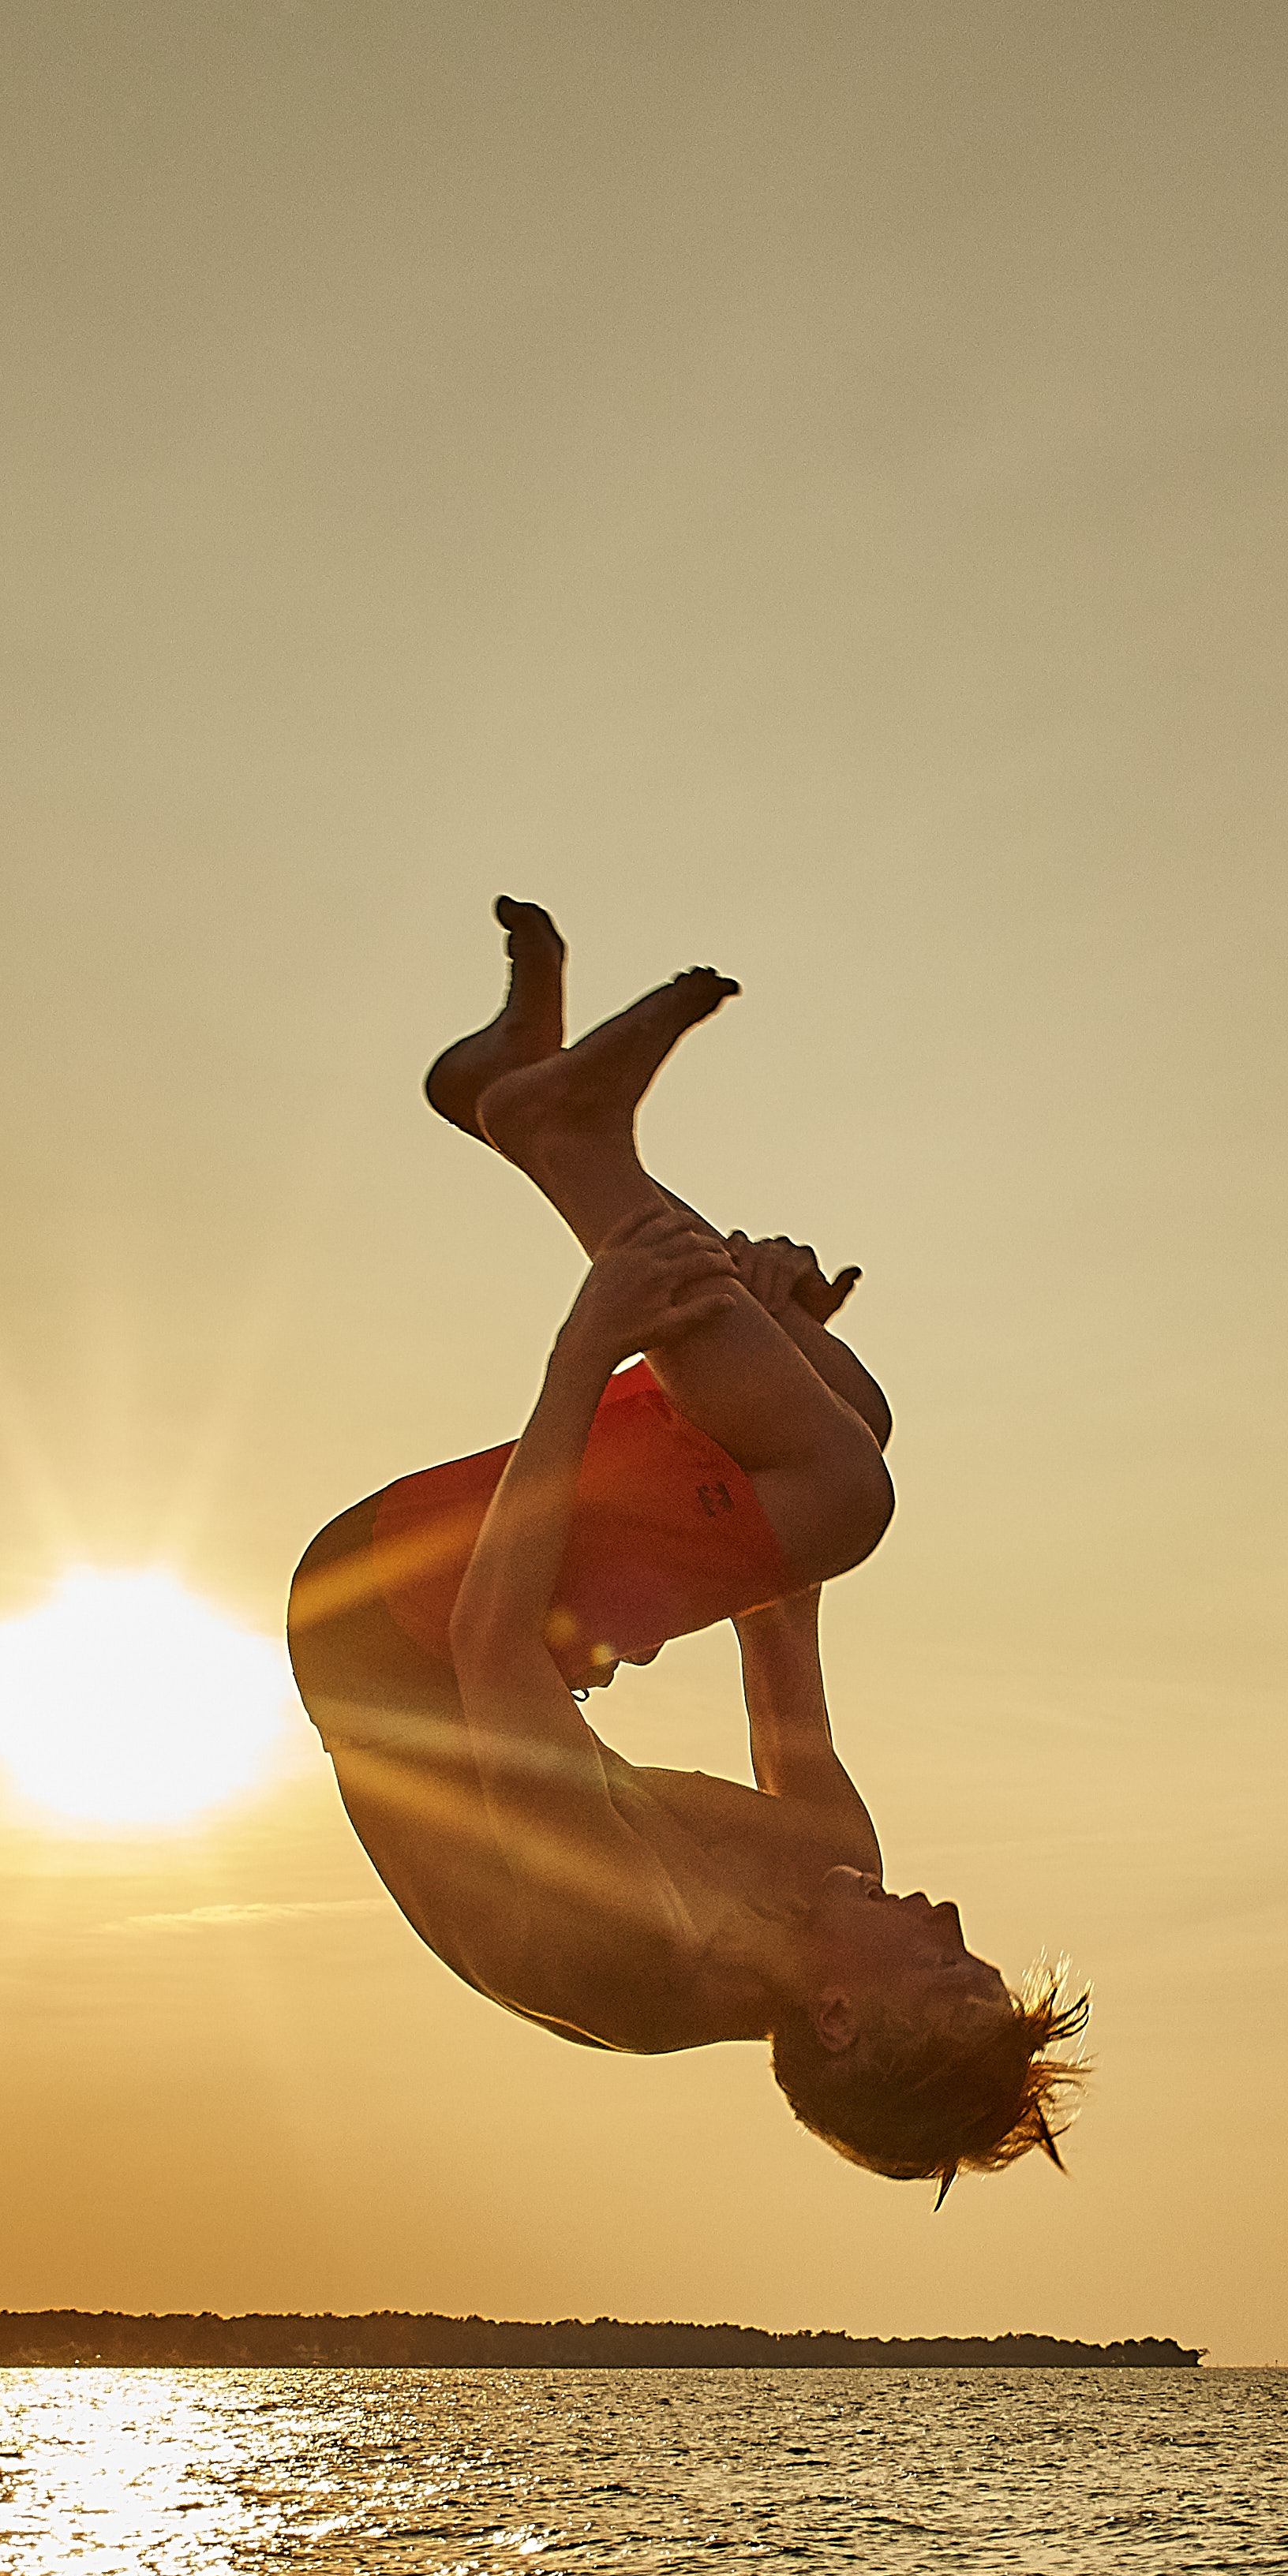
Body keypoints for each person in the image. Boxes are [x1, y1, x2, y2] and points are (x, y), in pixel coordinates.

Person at [283, 899, 1081, 2185]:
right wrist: (781, 1350)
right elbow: (785, 1616)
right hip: (498, 1628)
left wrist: (587, 1349)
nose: (942, 1912)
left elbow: (492, 1655)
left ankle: (558, 1133)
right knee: (844, 1427)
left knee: (840, 1491)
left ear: (838, 2019)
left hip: (385, 1623)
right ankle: (511, 1099)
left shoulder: (632, 1946)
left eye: (941, 1961)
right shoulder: (829, 1864)